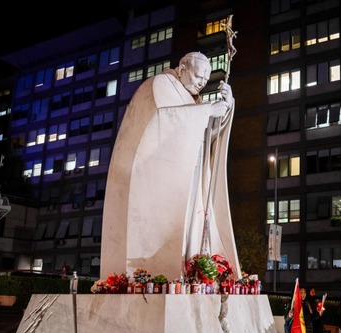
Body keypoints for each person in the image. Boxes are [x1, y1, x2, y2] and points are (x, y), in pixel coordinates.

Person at [101, 52, 241, 281]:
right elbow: (162, 122)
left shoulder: (193, 99)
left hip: (191, 173)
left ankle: (192, 270)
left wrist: (225, 108)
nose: (201, 84)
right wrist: (207, 111)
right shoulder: (160, 85)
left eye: (205, 81)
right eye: (197, 77)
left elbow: (206, 139)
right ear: (182, 67)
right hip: (162, 178)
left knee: (192, 228)